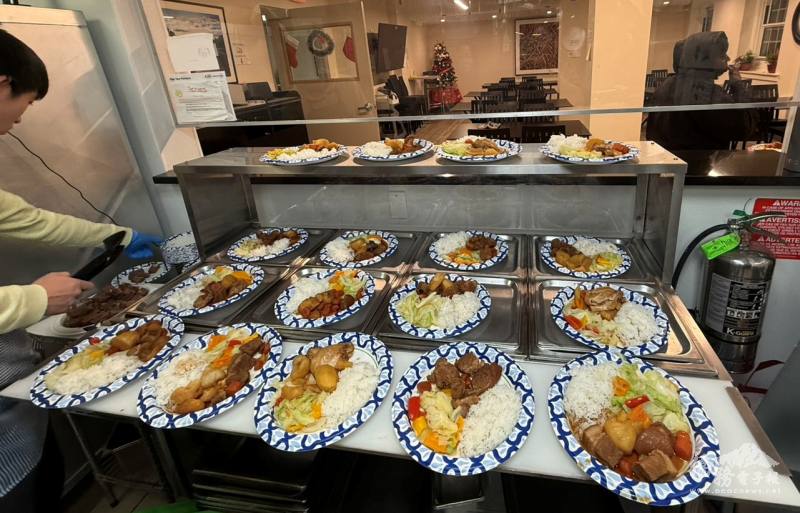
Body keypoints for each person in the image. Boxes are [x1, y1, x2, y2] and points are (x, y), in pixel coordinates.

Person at [0, 29, 162, 511]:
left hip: (9, 381)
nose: (18, 120)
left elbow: (27, 220)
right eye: (23, 104)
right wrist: (33, 300)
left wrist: (117, 236)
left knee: (38, 478)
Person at [646, 31, 759, 151]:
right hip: (700, 164)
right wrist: (738, 85)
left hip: (667, 160)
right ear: (705, 58)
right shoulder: (707, 92)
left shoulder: (668, 83)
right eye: (722, 54)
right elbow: (744, 128)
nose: (728, 58)